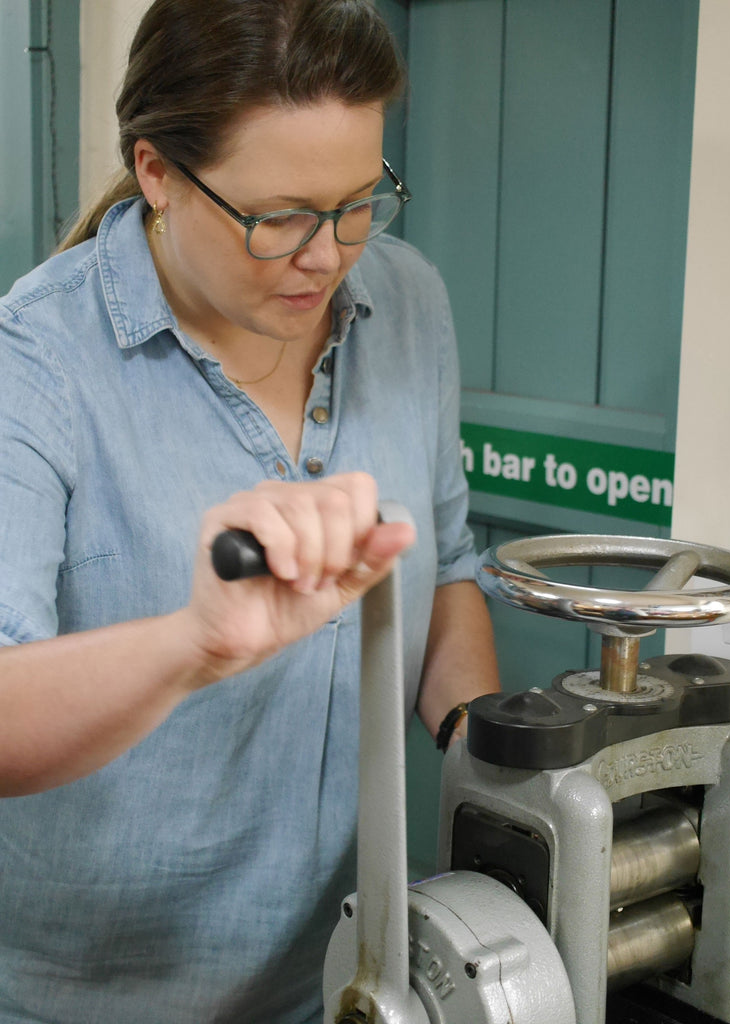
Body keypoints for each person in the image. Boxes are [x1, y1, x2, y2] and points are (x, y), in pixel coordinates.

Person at [0, 1, 500, 1021]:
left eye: (360, 200)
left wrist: (499, 777)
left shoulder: (408, 303)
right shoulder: (36, 365)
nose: (328, 253)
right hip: (80, 999)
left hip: (345, 979)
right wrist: (192, 642)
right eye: (281, 216)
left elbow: (447, 570)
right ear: (157, 175)